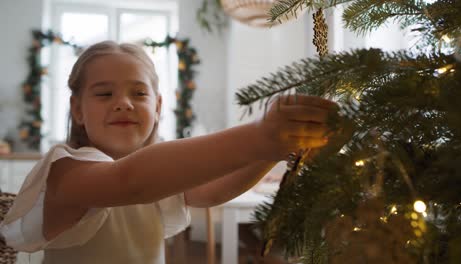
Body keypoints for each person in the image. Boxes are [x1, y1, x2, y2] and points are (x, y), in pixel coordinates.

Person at [0, 41, 336, 264]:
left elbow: (209, 190)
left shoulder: (160, 172)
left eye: (139, 93)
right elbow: (127, 181)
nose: (123, 102)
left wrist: (275, 150)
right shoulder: (65, 170)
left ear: (158, 106)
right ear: (77, 109)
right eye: (104, 94)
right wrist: (260, 136)